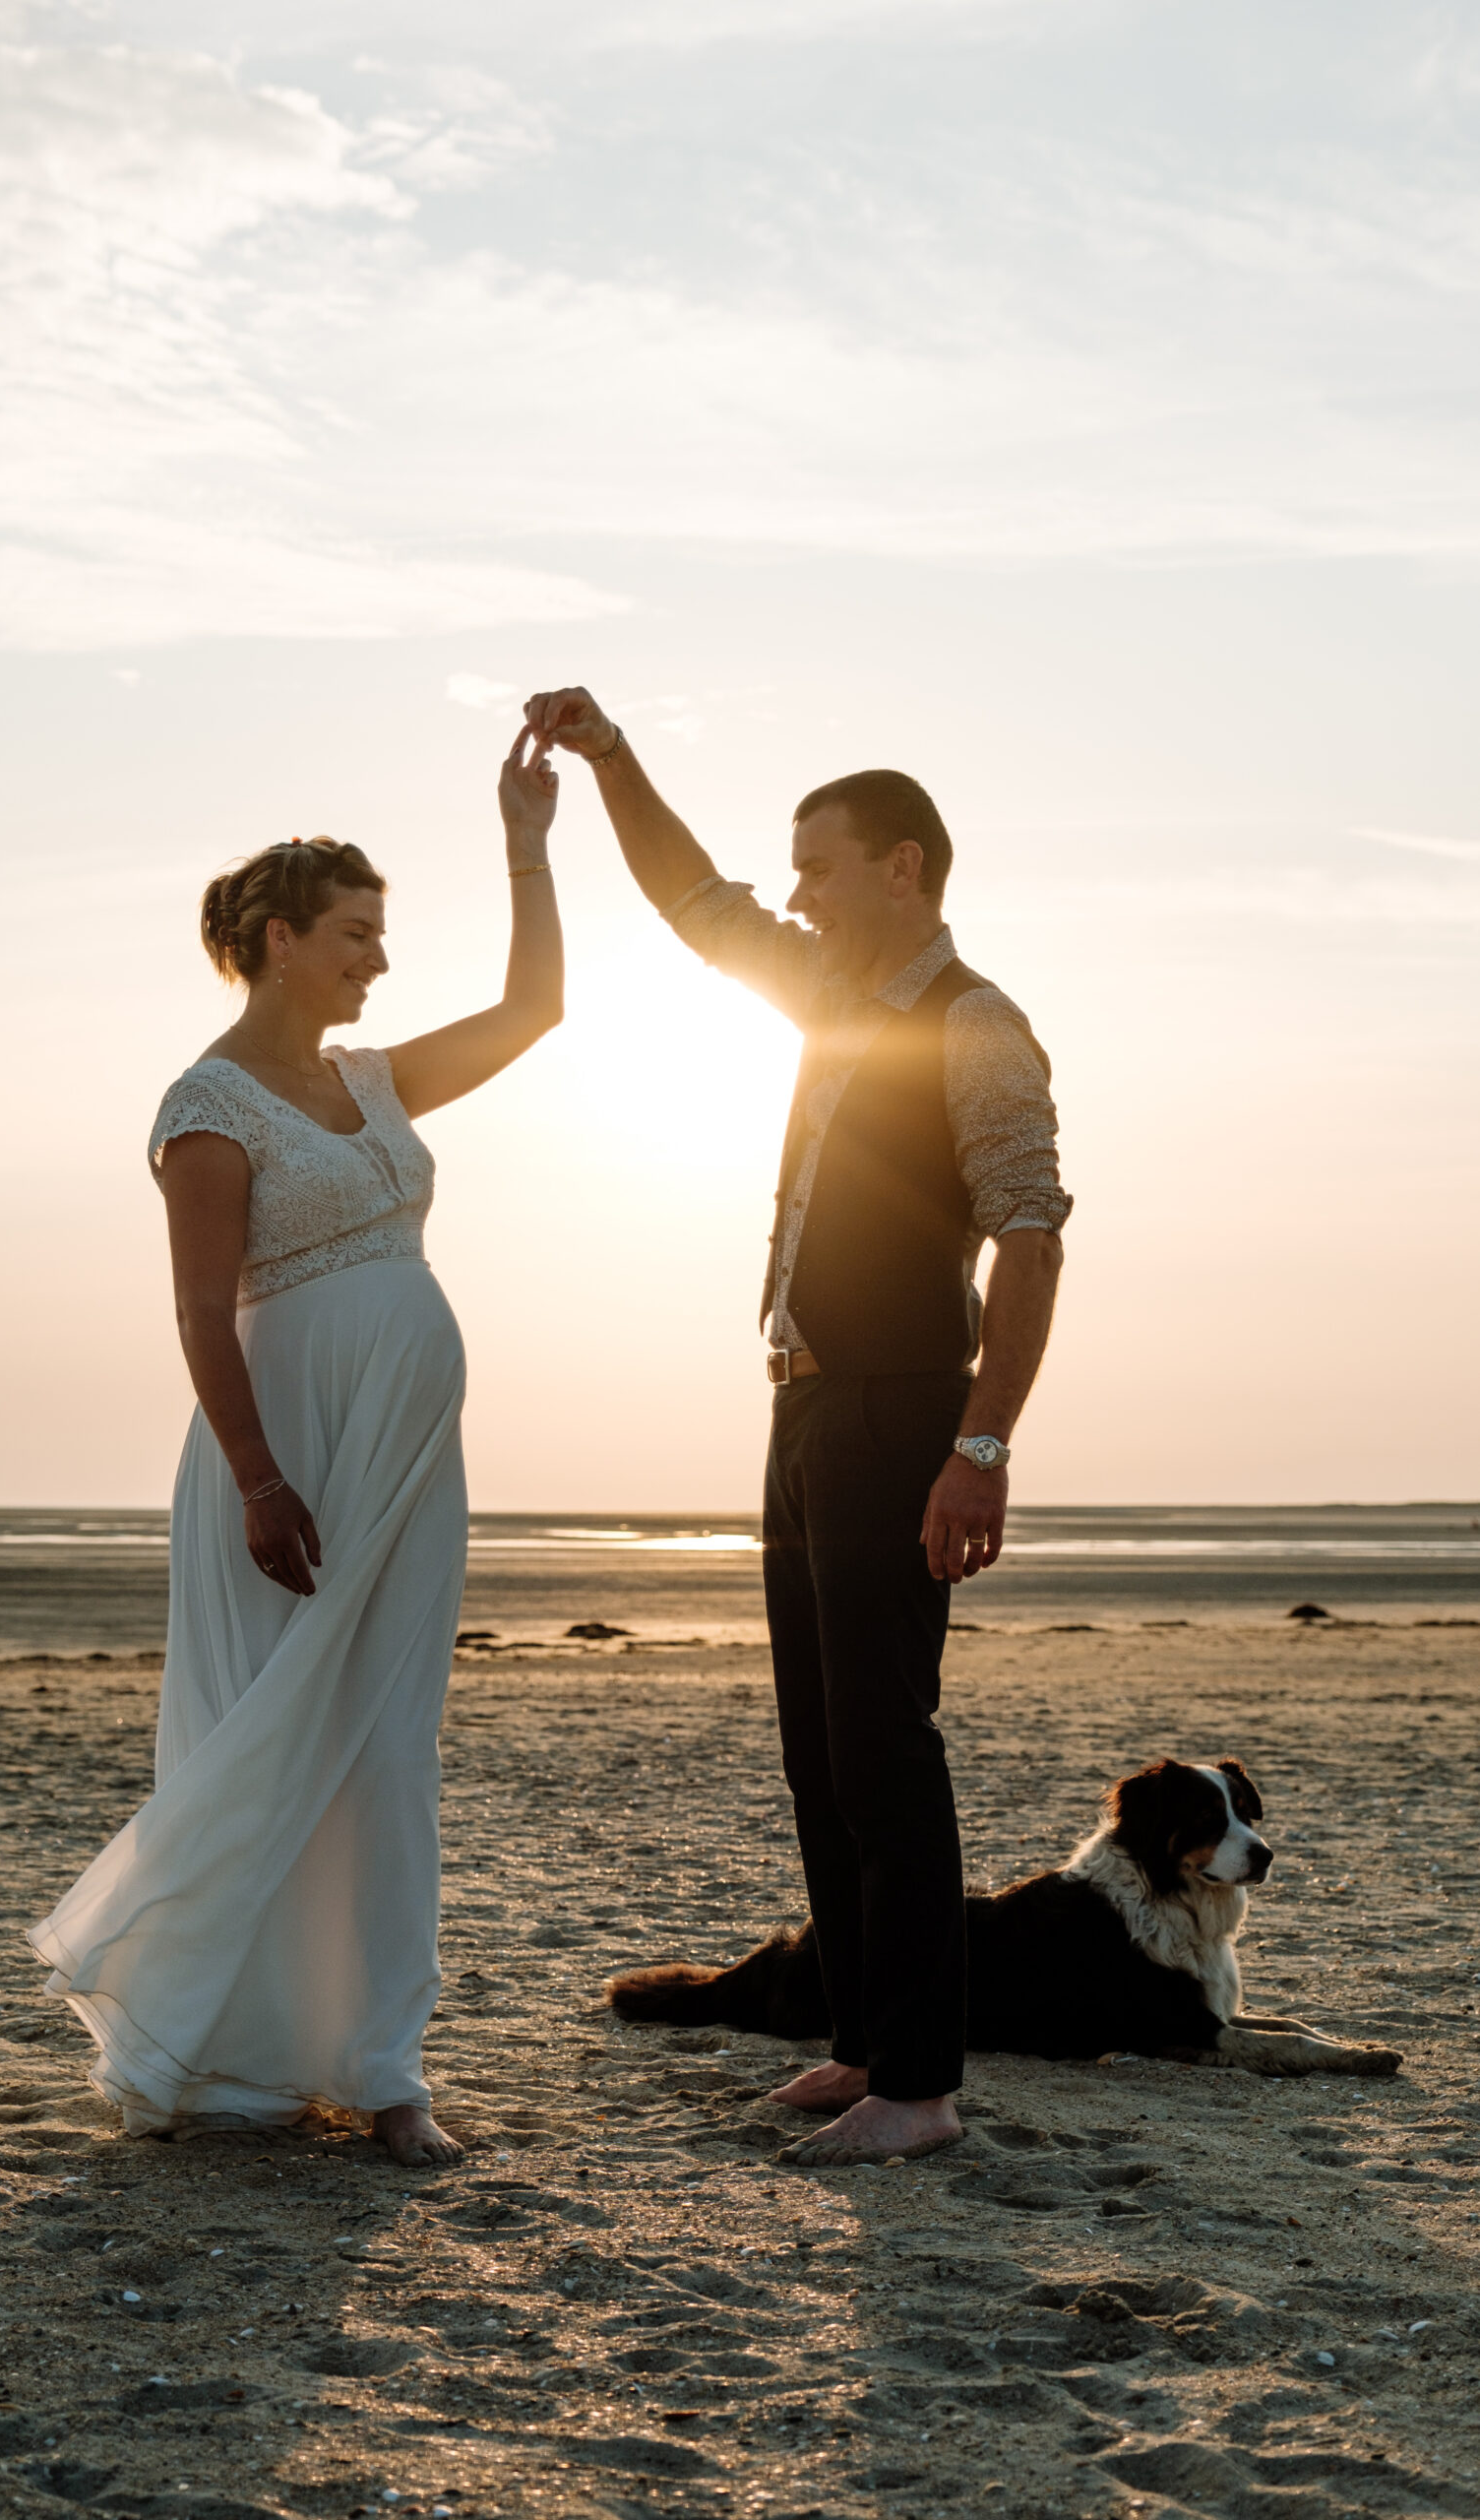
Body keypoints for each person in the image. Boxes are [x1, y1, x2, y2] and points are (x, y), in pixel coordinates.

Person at [524, 687, 1070, 2167]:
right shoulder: (826, 992)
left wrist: (982, 1442)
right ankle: (863, 2042)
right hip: (805, 1403)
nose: (796, 890)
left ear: (902, 866)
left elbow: (1027, 1235)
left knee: (884, 1742)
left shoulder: (976, 1025)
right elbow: (693, 901)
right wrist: (612, 760)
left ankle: (924, 2088)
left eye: (818, 865)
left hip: (904, 1413)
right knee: (817, 1746)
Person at [30, 735, 564, 2167]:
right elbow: (203, 1313)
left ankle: (386, 2068)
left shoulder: (376, 1080)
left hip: (401, 1467)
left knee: (390, 1749)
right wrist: (262, 1479)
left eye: (383, 934)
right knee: (273, 1744)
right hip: (285, 1462)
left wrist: (528, 838)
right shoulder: (207, 1109)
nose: (378, 961)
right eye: (356, 934)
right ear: (277, 940)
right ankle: (225, 2045)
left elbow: (534, 1009)